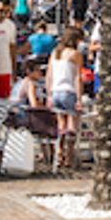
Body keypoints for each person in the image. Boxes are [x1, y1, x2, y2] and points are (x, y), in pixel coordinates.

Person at [47, 29, 85, 170]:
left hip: (56, 91)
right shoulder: (75, 54)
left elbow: (49, 75)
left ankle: (59, 154)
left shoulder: (55, 53)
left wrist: (49, 94)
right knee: (72, 126)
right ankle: (69, 157)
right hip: (69, 91)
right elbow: (78, 78)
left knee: (61, 125)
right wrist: (79, 99)